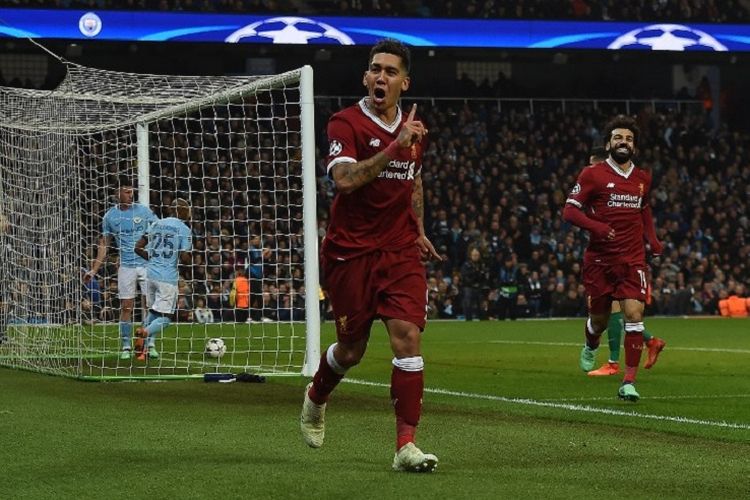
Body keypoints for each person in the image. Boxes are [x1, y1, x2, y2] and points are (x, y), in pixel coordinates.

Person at [300, 39, 441, 472]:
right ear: (366, 77)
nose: (381, 77)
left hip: (398, 250)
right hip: (350, 253)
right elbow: (343, 180)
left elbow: (413, 179)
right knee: (351, 349)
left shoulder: (414, 130)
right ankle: (316, 396)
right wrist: (394, 147)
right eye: (375, 69)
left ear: (405, 82)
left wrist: (418, 229)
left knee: (407, 338)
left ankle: (406, 446)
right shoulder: (345, 124)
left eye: (390, 71)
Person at [562, 116, 663, 402]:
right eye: (618, 138)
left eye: (629, 139)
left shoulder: (643, 178)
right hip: (599, 261)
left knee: (634, 316)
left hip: (632, 259)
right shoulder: (592, 174)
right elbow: (569, 212)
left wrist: (652, 240)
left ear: (635, 146)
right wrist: (598, 228)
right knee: (600, 320)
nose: (624, 142)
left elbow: (644, 210)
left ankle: (628, 382)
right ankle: (591, 343)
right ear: (609, 143)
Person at [583, 147, 666, 376]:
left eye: (593, 164)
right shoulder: (594, 188)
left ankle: (613, 362)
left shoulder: (616, 183)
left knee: (615, 309)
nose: (589, 168)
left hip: (622, 257)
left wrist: (652, 241)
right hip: (605, 254)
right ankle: (650, 341)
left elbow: (643, 210)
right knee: (612, 312)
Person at [84, 179, 156, 360]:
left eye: (132, 192)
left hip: (147, 265)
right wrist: (93, 270)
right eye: (127, 192)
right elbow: (104, 245)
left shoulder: (144, 211)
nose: (130, 195)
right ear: (117, 194)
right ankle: (126, 346)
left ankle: (150, 344)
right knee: (126, 307)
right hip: (126, 267)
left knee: (150, 305)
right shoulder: (109, 217)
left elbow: (158, 231)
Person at [133, 199, 192, 360]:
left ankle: (141, 351)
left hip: (150, 274)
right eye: (187, 209)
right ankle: (144, 332)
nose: (189, 212)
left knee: (153, 312)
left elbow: (137, 247)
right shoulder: (184, 229)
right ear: (181, 210)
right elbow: (185, 257)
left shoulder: (156, 224)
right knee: (165, 319)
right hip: (167, 277)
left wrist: (152, 258)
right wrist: (187, 255)